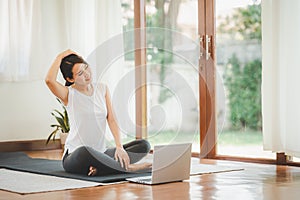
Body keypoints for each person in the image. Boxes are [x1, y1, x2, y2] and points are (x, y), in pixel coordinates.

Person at [45, 49, 151, 176]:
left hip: (102, 153)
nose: (87, 74)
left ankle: (101, 168)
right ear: (70, 79)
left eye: (86, 68)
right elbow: (49, 80)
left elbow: (111, 118)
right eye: (80, 73)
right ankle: (129, 168)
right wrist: (60, 56)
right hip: (76, 156)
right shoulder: (68, 94)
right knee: (85, 151)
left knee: (143, 145)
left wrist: (119, 147)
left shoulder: (102, 89)